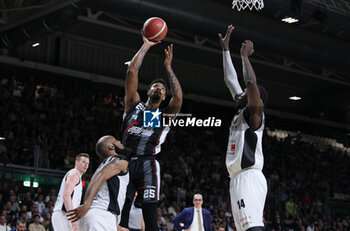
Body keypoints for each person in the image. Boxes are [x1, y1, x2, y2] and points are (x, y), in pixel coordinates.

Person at [119, 29, 183, 231]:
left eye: (162, 89)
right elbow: (131, 72)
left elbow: (179, 98)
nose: (159, 89)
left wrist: (168, 67)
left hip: (147, 163)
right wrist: (146, 45)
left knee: (151, 219)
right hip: (125, 162)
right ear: (148, 91)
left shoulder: (164, 116)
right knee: (121, 213)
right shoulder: (134, 105)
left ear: (164, 97)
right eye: (156, 86)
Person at [218, 25, 268, 231]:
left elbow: (251, 83)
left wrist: (244, 56)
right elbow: (230, 80)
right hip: (237, 178)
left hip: (249, 177)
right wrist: (225, 50)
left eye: (245, 93)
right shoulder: (241, 112)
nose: (239, 94)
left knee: (253, 228)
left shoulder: (254, 117)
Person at [66, 135, 130, 231]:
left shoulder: (102, 166)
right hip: (100, 216)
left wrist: (117, 227)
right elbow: (101, 177)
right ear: (111, 147)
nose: (120, 141)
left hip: (93, 217)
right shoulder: (119, 160)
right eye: (116, 140)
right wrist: (87, 204)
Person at [51, 153, 90, 231]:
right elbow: (66, 196)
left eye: (87, 163)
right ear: (76, 162)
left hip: (66, 215)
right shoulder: (74, 174)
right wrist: (73, 220)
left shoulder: (77, 176)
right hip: (63, 215)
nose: (86, 165)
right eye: (83, 162)